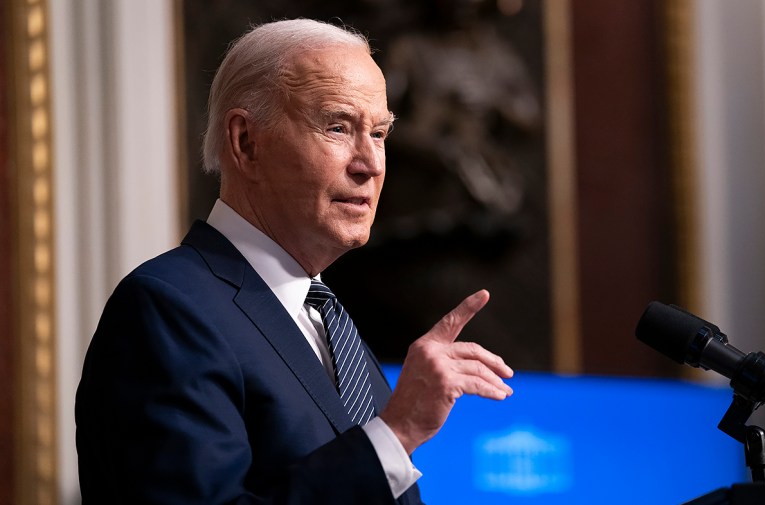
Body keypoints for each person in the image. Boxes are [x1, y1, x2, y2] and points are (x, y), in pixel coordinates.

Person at [75, 18, 514, 504]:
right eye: (338, 127)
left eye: (380, 133)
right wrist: (396, 433)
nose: (369, 163)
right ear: (246, 143)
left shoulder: (333, 325)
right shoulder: (167, 310)